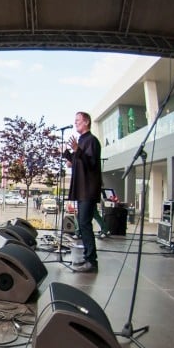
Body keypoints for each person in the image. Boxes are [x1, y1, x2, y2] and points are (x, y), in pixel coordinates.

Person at [63, 111, 102, 273]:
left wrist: (77, 150)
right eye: (75, 120)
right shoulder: (81, 141)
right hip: (82, 189)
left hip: (88, 188)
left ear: (86, 122)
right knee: (83, 223)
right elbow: (76, 161)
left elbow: (91, 163)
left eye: (78, 120)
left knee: (85, 224)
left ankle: (91, 262)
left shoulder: (92, 141)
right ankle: (88, 259)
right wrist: (66, 152)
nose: (75, 123)